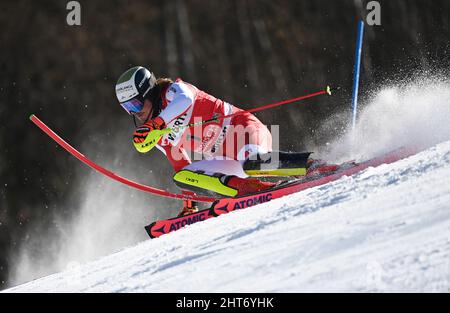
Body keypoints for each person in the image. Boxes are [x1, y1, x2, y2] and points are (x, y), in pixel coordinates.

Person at [115, 66, 332, 217]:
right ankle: (249, 188)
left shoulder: (173, 92)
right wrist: (190, 206)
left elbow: (186, 99)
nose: (136, 113)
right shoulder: (159, 137)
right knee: (182, 175)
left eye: (135, 104)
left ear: (150, 93)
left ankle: (311, 165)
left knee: (253, 162)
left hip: (245, 130)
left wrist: (158, 124)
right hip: (227, 159)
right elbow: (183, 167)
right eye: (128, 109)